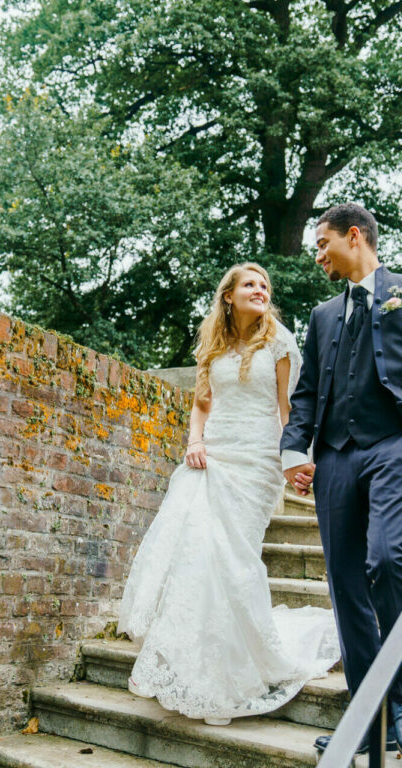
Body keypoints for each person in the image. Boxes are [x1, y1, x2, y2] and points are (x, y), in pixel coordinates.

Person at [281, 203, 402, 758]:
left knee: (386, 560)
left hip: (395, 449)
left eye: (323, 243)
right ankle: (370, 712)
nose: (318, 255)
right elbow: (308, 392)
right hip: (335, 458)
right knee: (344, 582)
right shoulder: (321, 316)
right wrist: (295, 450)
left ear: (354, 236)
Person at [118, 262, 340, 726]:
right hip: (212, 454)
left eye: (264, 285)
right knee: (199, 554)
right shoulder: (213, 344)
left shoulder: (279, 341)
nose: (260, 290)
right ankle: (195, 663)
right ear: (229, 295)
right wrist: (193, 441)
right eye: (250, 284)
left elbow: (288, 411)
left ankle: (244, 663)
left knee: (236, 559)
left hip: (258, 462)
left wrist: (297, 461)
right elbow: (202, 403)